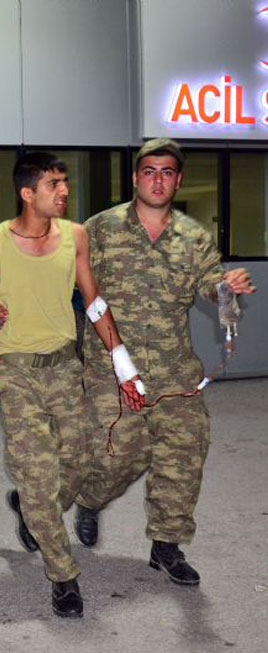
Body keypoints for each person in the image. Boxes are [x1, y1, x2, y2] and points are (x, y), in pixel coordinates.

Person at [0, 152, 144, 619]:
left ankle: (30, 509)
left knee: (80, 459)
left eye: (65, 181)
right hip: (18, 371)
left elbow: (93, 300)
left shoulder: (76, 236)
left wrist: (123, 362)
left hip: (66, 366)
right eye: (54, 183)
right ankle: (63, 575)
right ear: (28, 193)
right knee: (37, 474)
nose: (64, 190)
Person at [68, 139, 255, 586]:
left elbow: (215, 293)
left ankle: (167, 544)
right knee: (117, 456)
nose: (157, 180)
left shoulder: (194, 237)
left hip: (174, 370)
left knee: (185, 451)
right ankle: (90, 500)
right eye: (149, 171)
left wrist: (228, 290)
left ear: (178, 180)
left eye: (167, 172)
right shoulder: (100, 229)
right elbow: (65, 282)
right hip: (112, 369)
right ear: (136, 177)